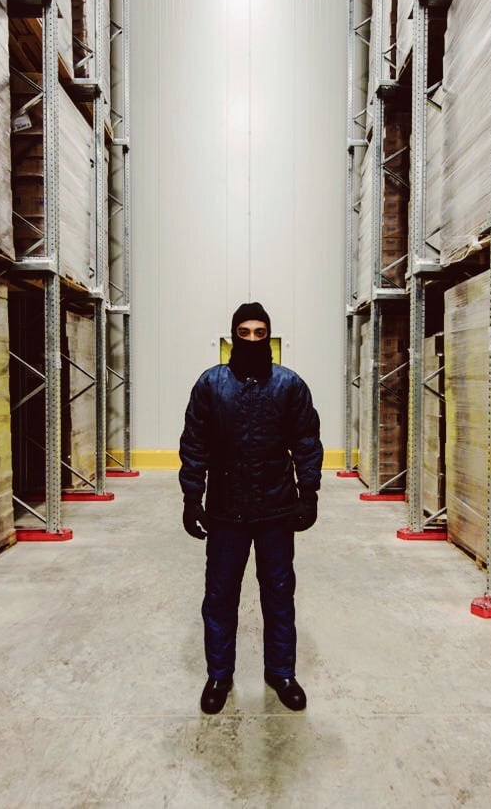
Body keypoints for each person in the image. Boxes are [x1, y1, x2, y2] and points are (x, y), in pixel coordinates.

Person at [178, 302, 323, 715]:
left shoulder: (289, 386)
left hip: (276, 510)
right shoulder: (211, 385)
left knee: (278, 594)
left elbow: (307, 443)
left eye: (261, 333)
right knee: (221, 596)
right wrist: (192, 497)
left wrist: (308, 494)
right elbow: (195, 443)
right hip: (226, 511)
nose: (253, 339)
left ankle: (281, 673)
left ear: (270, 336)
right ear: (232, 336)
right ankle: (219, 674)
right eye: (245, 332)